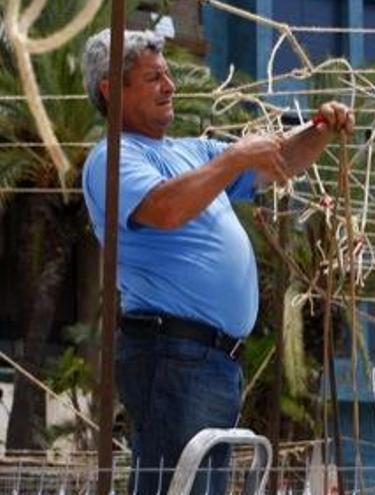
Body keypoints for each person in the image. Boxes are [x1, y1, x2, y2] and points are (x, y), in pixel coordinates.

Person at [80, 29, 353, 494]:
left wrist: (320, 129)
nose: (169, 86)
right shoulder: (112, 158)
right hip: (173, 353)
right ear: (112, 89)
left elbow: (279, 159)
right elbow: (164, 209)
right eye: (153, 78)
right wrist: (231, 159)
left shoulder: (191, 152)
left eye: (167, 74)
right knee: (176, 484)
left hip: (208, 358)